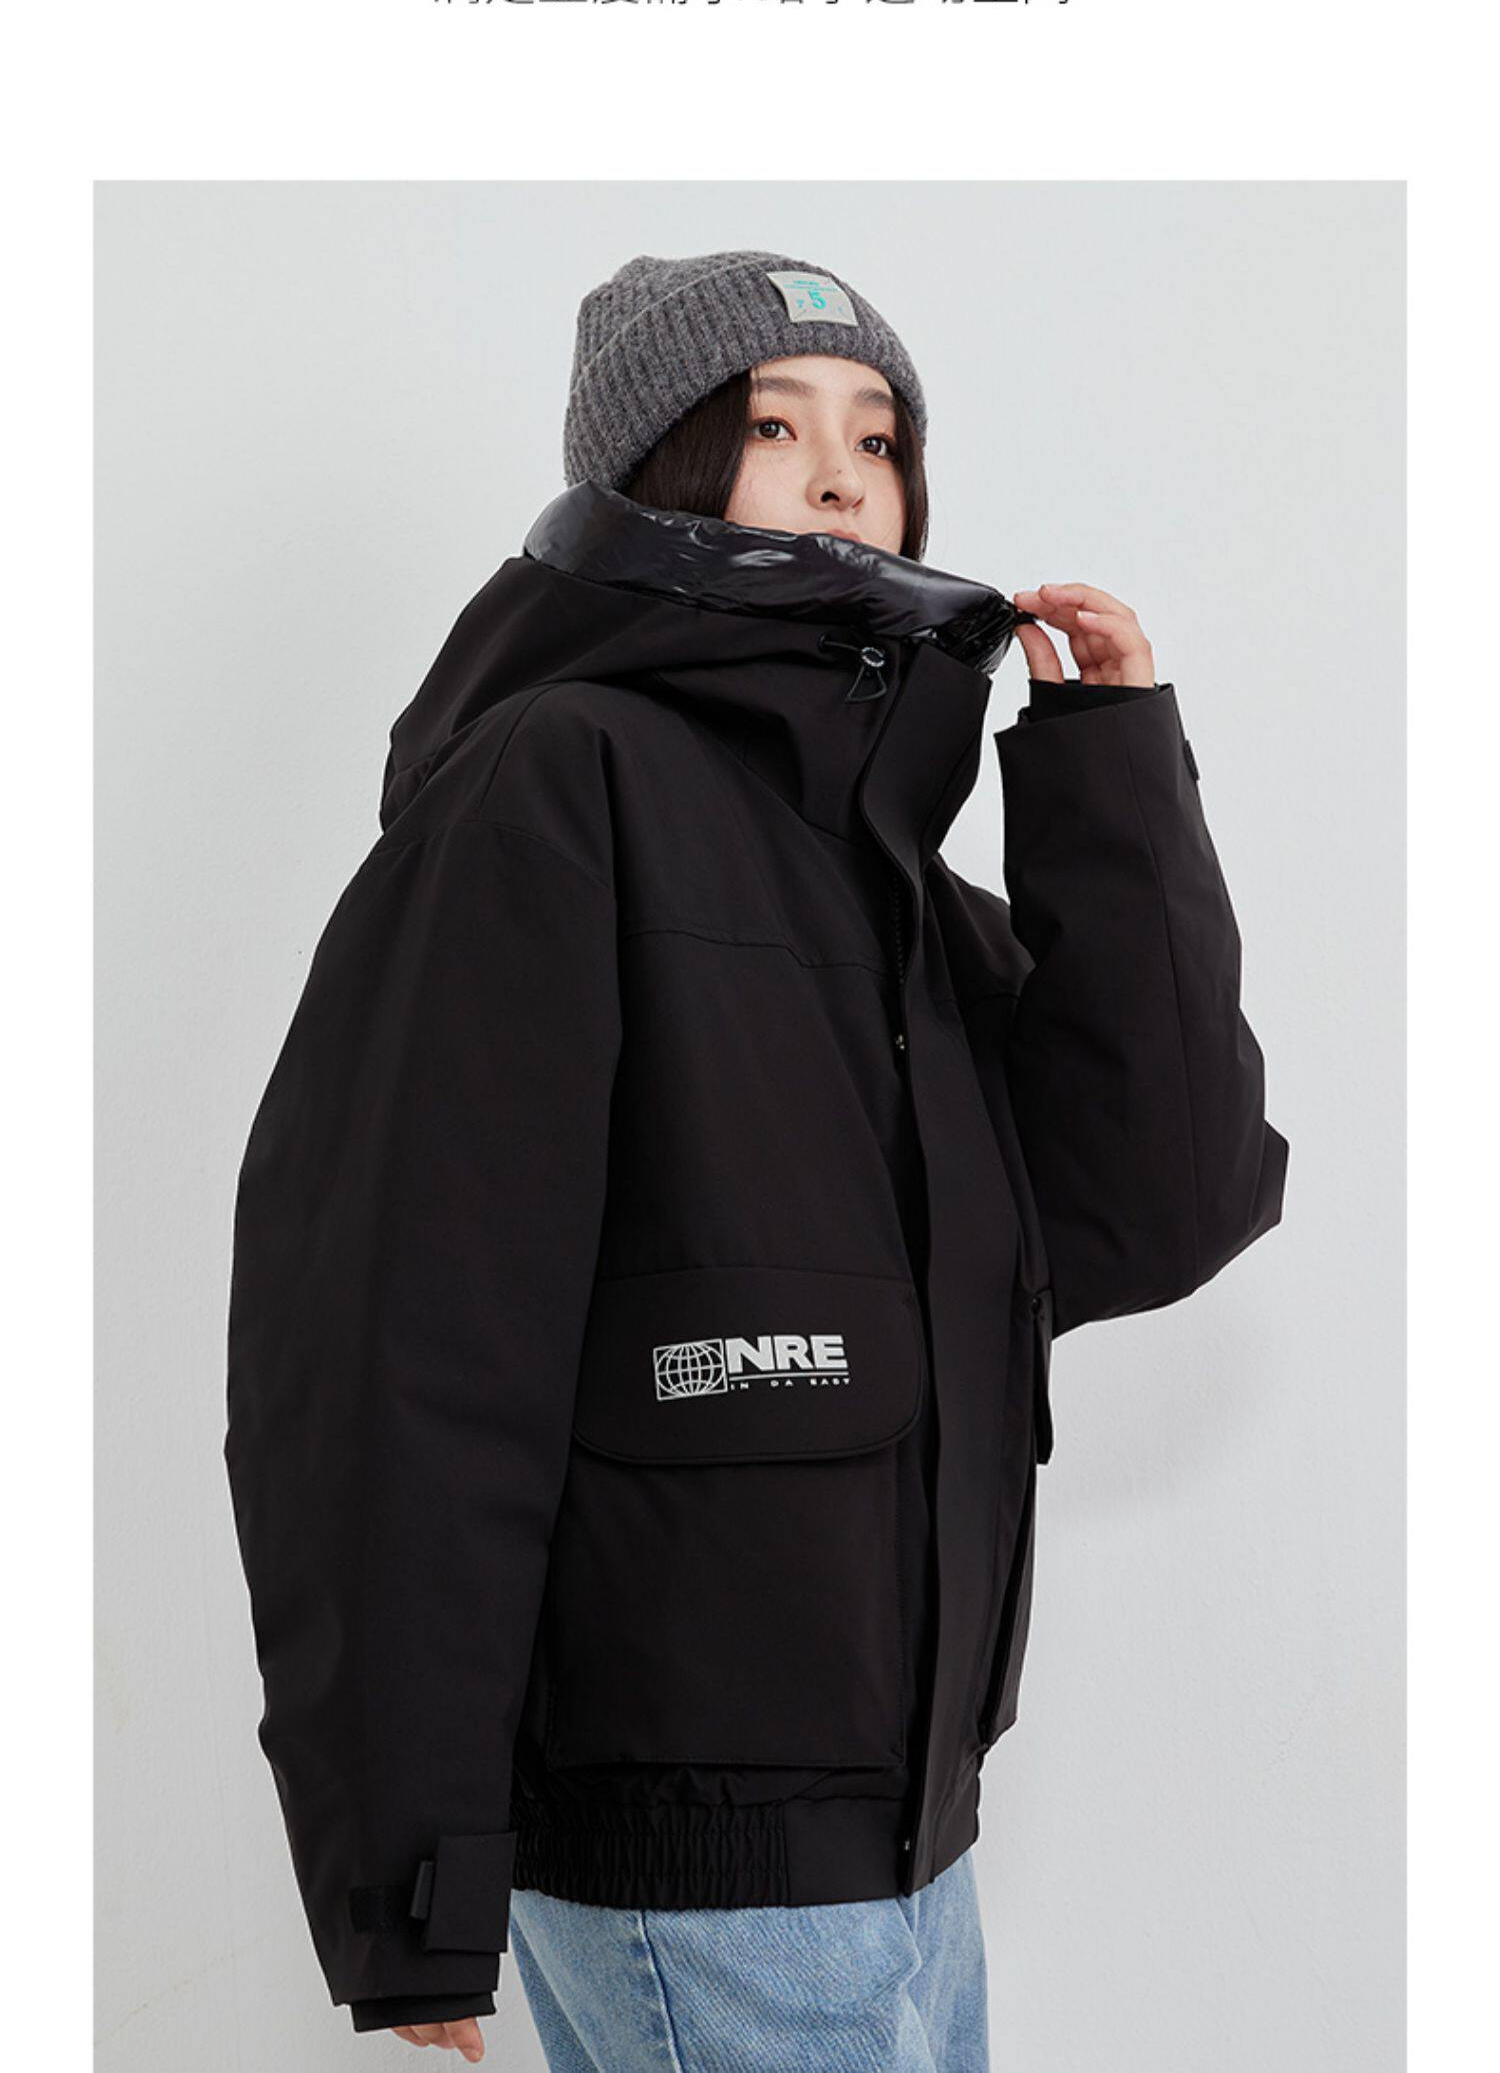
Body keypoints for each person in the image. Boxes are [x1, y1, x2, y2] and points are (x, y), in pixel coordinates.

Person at [223, 248, 1288, 2070]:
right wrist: (414, 1881)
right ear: (661, 466)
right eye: (777, 426)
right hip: (690, 1858)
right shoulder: (558, 786)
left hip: (908, 1839)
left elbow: (1157, 1205)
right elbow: (396, 1348)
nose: (840, 475)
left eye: (877, 436)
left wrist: (1111, 774)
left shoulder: (886, 889)